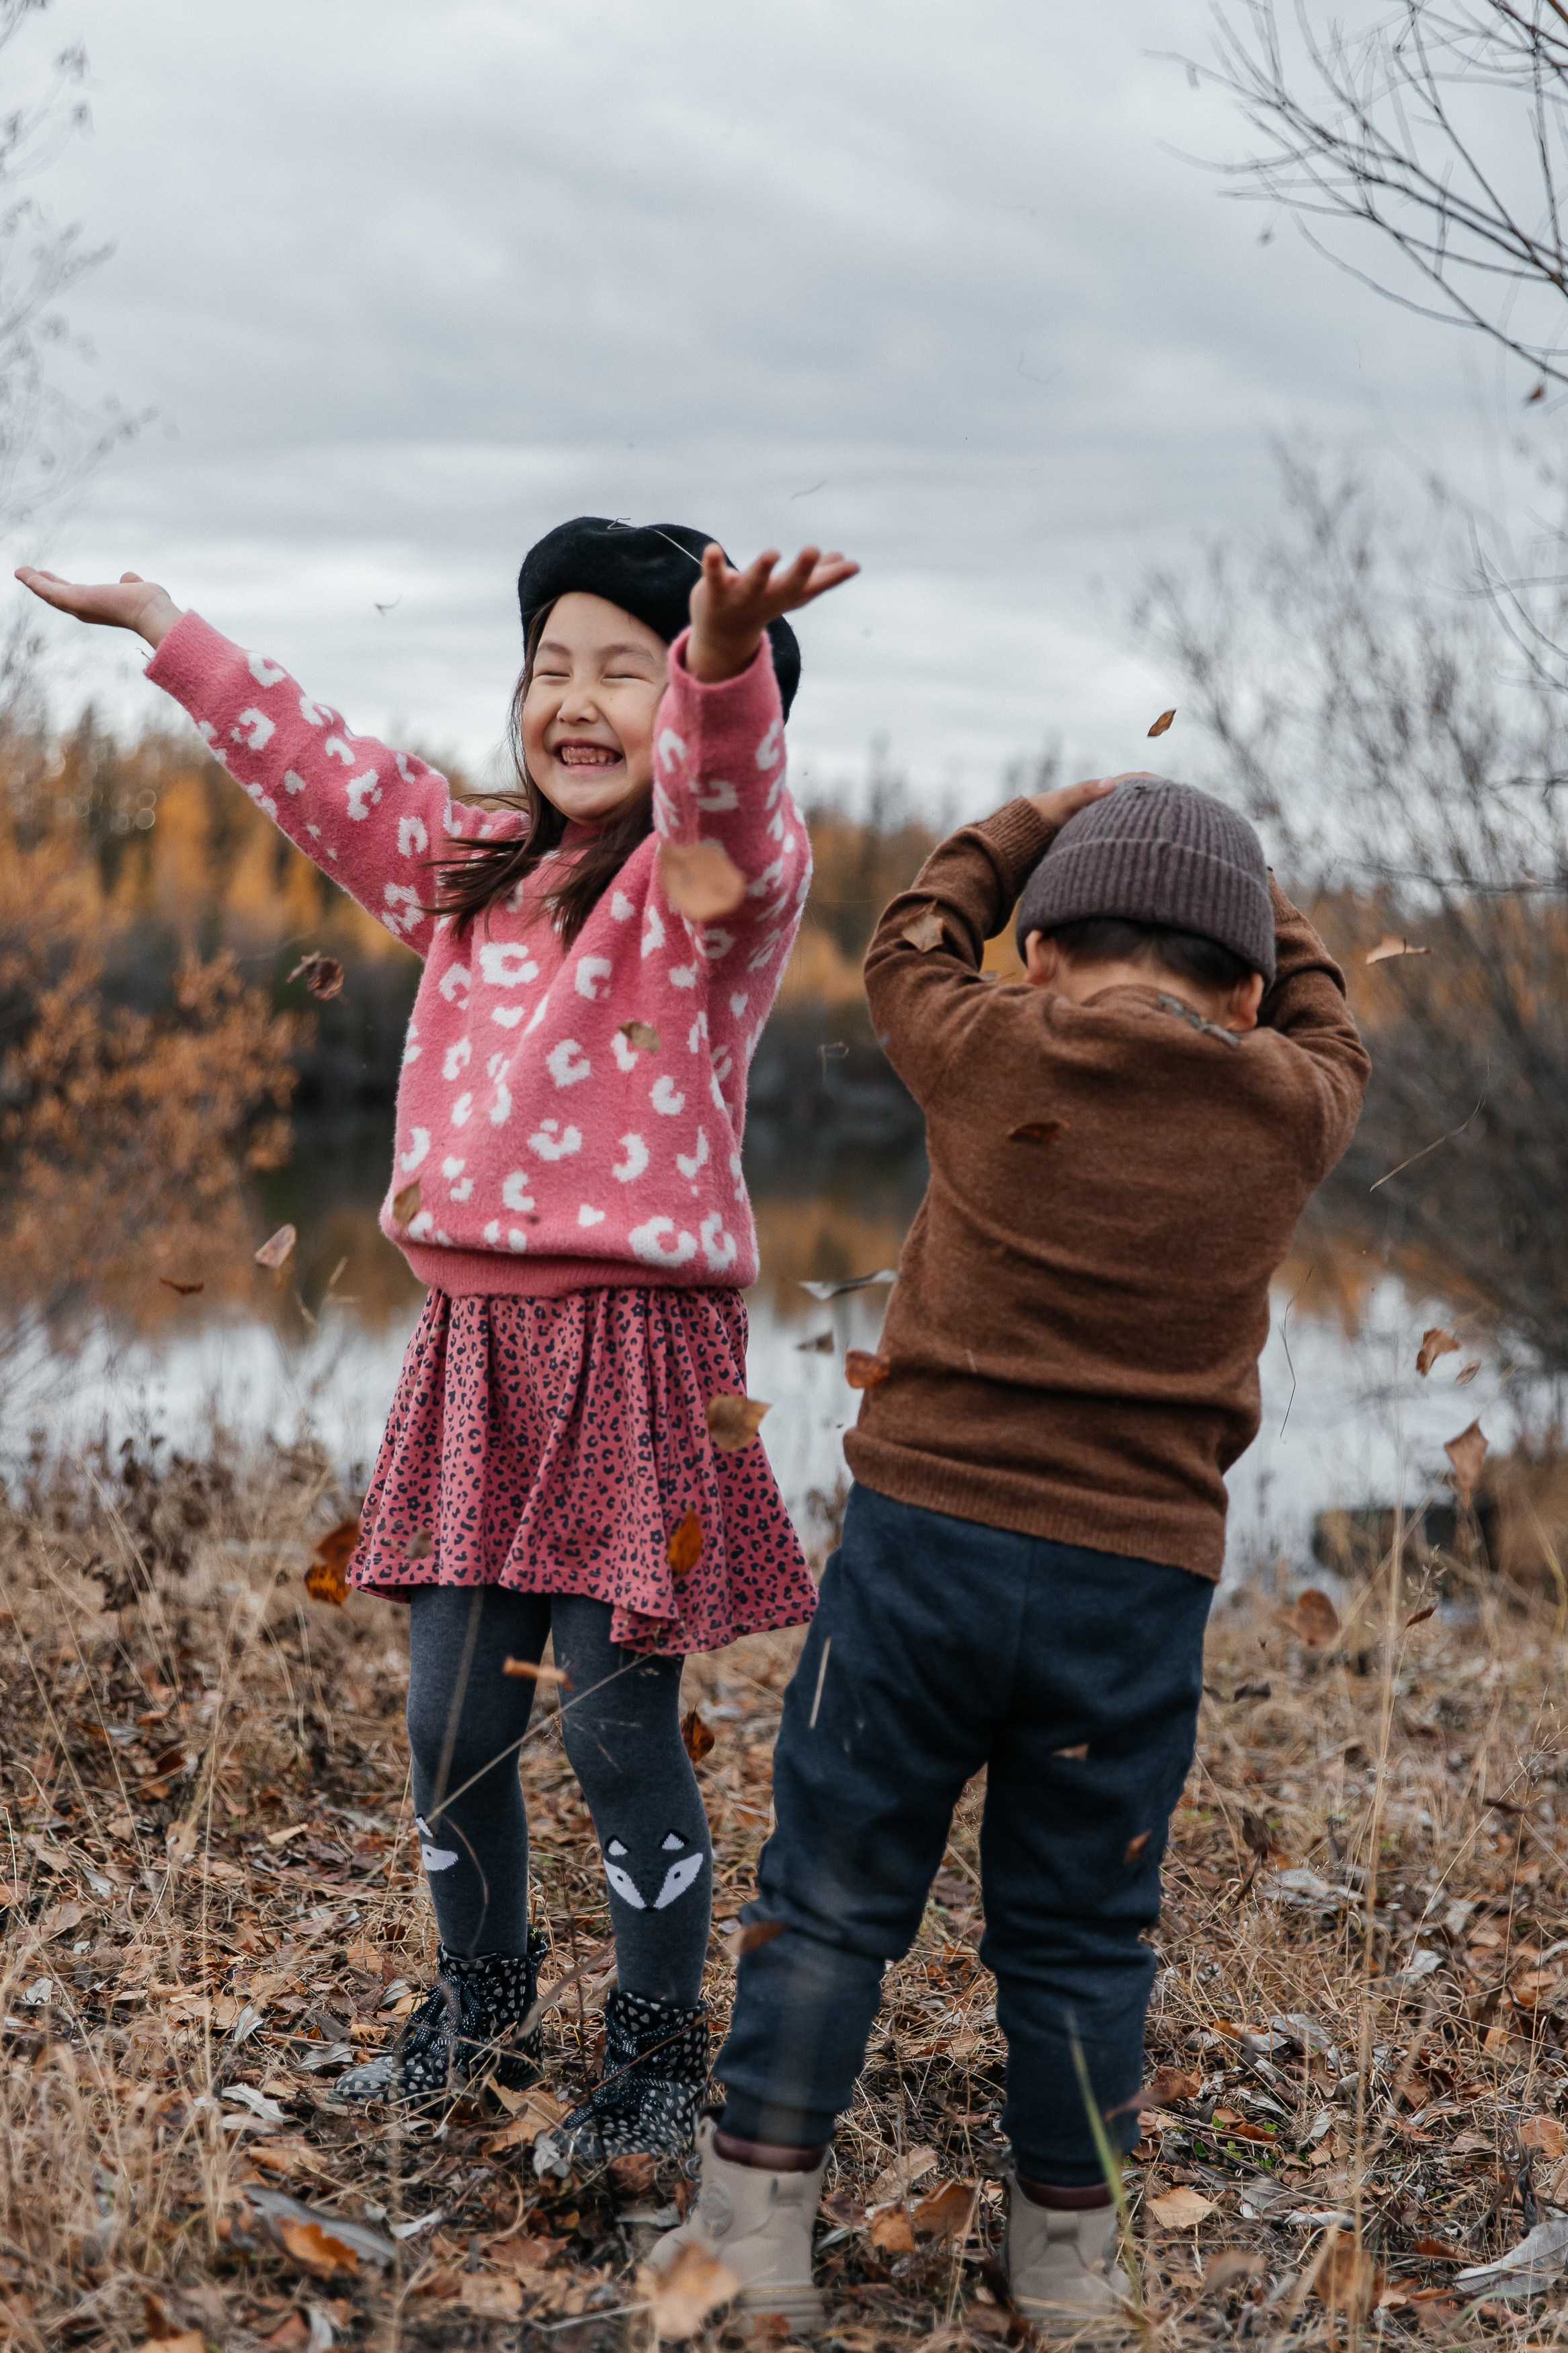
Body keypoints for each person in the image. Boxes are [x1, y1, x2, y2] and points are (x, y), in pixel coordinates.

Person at [17, 519, 858, 2159]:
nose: (579, 697)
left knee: (616, 1725)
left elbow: (735, 799)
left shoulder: (706, 900)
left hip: (636, 1357)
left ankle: (661, 2055)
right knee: (452, 1723)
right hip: (476, 1351)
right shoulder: (468, 867)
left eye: (626, 667)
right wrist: (163, 628)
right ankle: (477, 2004)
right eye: (553, 664)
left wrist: (725, 665)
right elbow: (321, 771)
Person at [653, 770, 1371, 2326]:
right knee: (1083, 1932)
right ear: (1247, 988)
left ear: (1038, 953)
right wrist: (1261, 884)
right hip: (1135, 1583)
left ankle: (756, 2223)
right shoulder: (1286, 1102)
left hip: (924, 1549)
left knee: (833, 1890)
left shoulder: (985, 1040)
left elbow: (913, 935)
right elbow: (1337, 1034)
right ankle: (1069, 2269)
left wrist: (1038, 819)